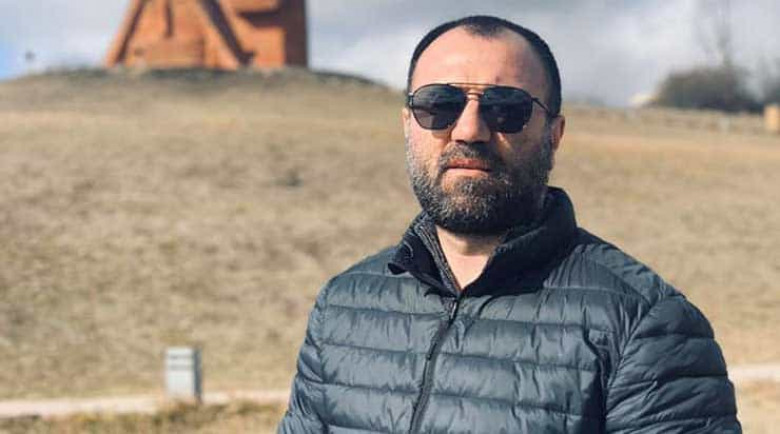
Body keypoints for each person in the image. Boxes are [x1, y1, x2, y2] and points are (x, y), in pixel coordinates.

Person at [278, 15, 740, 433]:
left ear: (554, 135)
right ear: (408, 124)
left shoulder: (645, 324)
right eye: (439, 105)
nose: (468, 130)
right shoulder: (344, 305)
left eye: (506, 109)